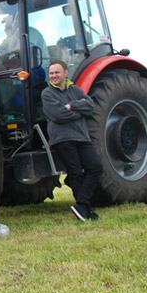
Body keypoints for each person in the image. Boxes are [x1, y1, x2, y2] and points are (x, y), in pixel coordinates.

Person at [41, 60, 102, 221]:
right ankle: (86, 209)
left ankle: (82, 205)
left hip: (82, 137)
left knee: (95, 167)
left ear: (65, 73)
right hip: (63, 138)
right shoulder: (47, 93)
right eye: (51, 73)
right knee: (75, 172)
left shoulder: (75, 90)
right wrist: (79, 111)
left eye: (57, 73)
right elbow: (58, 115)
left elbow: (90, 106)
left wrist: (71, 106)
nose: (53, 76)